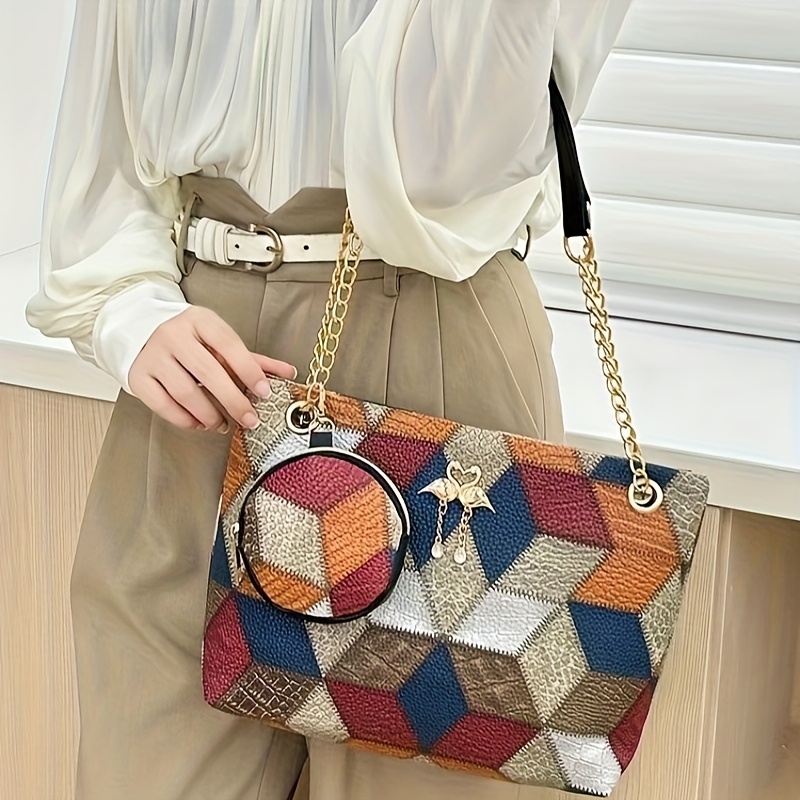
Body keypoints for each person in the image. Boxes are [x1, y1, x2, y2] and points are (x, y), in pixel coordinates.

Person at [26, 2, 632, 798]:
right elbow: (107, 138)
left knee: (425, 771)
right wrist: (128, 311)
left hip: (430, 342)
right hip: (204, 361)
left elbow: (449, 170)